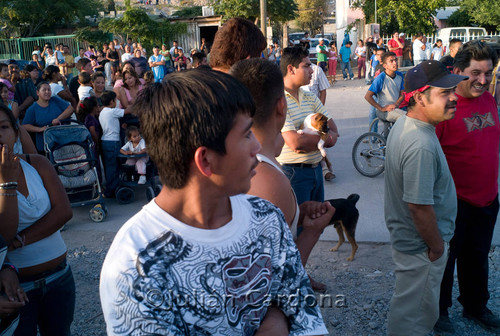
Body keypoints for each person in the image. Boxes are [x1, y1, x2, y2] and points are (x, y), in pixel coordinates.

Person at [99, 69, 329, 336]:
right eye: (246, 135)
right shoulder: (136, 265)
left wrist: (277, 316)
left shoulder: (267, 218)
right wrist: (274, 325)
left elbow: (302, 309)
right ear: (205, 161)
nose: (257, 147)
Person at [385, 60, 468, 336]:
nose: (454, 97)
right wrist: (436, 248)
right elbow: (419, 207)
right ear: (420, 97)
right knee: (416, 318)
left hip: (414, 245)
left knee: (409, 307)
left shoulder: (408, 125)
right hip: (420, 249)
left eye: (453, 90)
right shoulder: (420, 144)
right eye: (445, 93)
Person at [434, 41, 500, 334]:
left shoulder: (489, 99)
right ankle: (438, 312)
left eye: (488, 73)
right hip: (454, 202)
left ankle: (475, 306)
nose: (483, 81)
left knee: (477, 258)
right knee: (444, 263)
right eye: (475, 73)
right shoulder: (445, 107)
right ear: (458, 70)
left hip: (487, 198)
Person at [0, 104, 75, 336]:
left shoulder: (37, 164)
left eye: (3, 127)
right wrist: (7, 183)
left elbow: (63, 212)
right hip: (18, 290)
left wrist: (18, 241)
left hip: (60, 277)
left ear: (15, 131)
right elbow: (5, 233)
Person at [277, 47, 339, 206]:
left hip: (317, 170)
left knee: (316, 224)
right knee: (298, 226)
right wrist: (322, 139)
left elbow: (334, 134)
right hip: (293, 174)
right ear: (291, 69)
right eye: (306, 66)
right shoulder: (278, 100)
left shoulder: (311, 97)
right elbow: (295, 143)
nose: (312, 70)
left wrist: (310, 140)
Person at [99, 91, 134, 198]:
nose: (117, 102)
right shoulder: (112, 111)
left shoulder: (103, 112)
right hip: (113, 142)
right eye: (116, 100)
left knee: (110, 166)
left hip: (105, 141)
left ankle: (112, 188)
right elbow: (128, 110)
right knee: (113, 167)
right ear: (111, 102)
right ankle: (111, 190)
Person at [22, 82, 74, 153]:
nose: (47, 92)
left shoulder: (55, 100)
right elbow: (25, 126)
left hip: (62, 141)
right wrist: (39, 129)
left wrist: (58, 119)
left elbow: (70, 109)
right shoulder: (32, 109)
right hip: (46, 146)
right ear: (38, 93)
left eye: (49, 90)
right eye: (44, 90)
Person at [364, 52, 405, 135]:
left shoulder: (400, 75)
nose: (395, 63)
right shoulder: (381, 78)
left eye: (396, 60)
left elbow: (402, 94)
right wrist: (381, 108)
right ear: (385, 66)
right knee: (405, 117)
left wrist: (396, 104)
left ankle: (387, 145)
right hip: (384, 111)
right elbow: (368, 96)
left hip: (395, 108)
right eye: (391, 61)